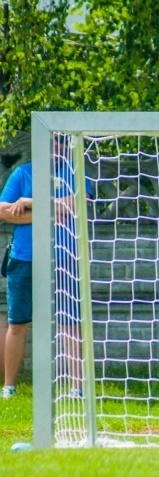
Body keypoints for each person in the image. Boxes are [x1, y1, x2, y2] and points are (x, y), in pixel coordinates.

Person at [0, 134, 92, 399]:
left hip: (64, 257)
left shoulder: (75, 172)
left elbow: (79, 205)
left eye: (61, 142)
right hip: (24, 258)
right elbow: (4, 211)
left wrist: (28, 204)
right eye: (51, 141)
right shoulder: (22, 174)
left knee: (70, 322)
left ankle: (78, 388)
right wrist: (53, 210)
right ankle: (9, 387)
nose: (56, 147)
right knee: (17, 323)